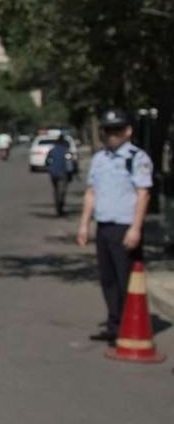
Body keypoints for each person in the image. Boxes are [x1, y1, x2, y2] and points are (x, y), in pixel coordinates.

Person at [77, 109, 153, 344]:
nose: (111, 135)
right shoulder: (100, 159)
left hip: (125, 228)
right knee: (108, 279)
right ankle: (114, 324)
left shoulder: (137, 158)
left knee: (126, 280)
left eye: (116, 130)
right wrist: (83, 224)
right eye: (108, 131)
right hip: (104, 226)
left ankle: (130, 326)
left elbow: (143, 194)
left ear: (128, 131)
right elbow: (91, 193)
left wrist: (136, 228)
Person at [45, 138, 74, 216]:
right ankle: (60, 206)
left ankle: (58, 207)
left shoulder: (52, 151)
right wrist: (71, 173)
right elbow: (69, 163)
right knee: (62, 191)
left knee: (56, 189)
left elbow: (48, 161)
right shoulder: (66, 151)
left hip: (53, 174)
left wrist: (49, 169)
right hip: (63, 173)